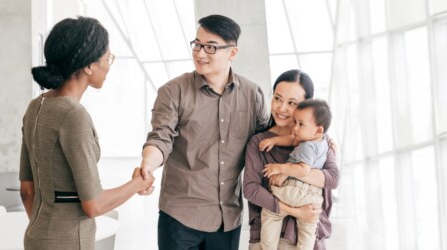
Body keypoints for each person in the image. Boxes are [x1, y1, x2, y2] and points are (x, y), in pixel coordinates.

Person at [19, 16, 154, 250]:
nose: (109, 65)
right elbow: (94, 205)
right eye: (107, 58)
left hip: (36, 237)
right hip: (69, 242)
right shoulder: (73, 115)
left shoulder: (36, 106)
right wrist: (137, 183)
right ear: (89, 65)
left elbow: (26, 190)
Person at [139, 14, 269, 250]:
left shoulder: (252, 94)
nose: (200, 54)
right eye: (197, 44)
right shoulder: (173, 91)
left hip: (227, 218)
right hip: (179, 216)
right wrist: (147, 165)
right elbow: (160, 138)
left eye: (210, 47)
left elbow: (266, 143)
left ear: (232, 53)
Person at [243, 69, 339, 250]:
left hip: (309, 239)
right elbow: (250, 189)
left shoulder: (321, 141)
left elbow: (333, 179)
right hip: (269, 240)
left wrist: (285, 171)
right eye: (277, 98)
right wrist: (295, 211)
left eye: (292, 103)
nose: (282, 108)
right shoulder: (260, 142)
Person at [260, 99, 333, 250]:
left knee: (271, 215)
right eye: (295, 122)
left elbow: (302, 170)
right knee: (308, 233)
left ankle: (267, 247)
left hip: (294, 189)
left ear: (318, 130)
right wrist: (275, 140)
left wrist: (280, 168)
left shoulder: (307, 147)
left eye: (300, 124)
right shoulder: (323, 140)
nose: (294, 128)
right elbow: (293, 139)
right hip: (313, 197)